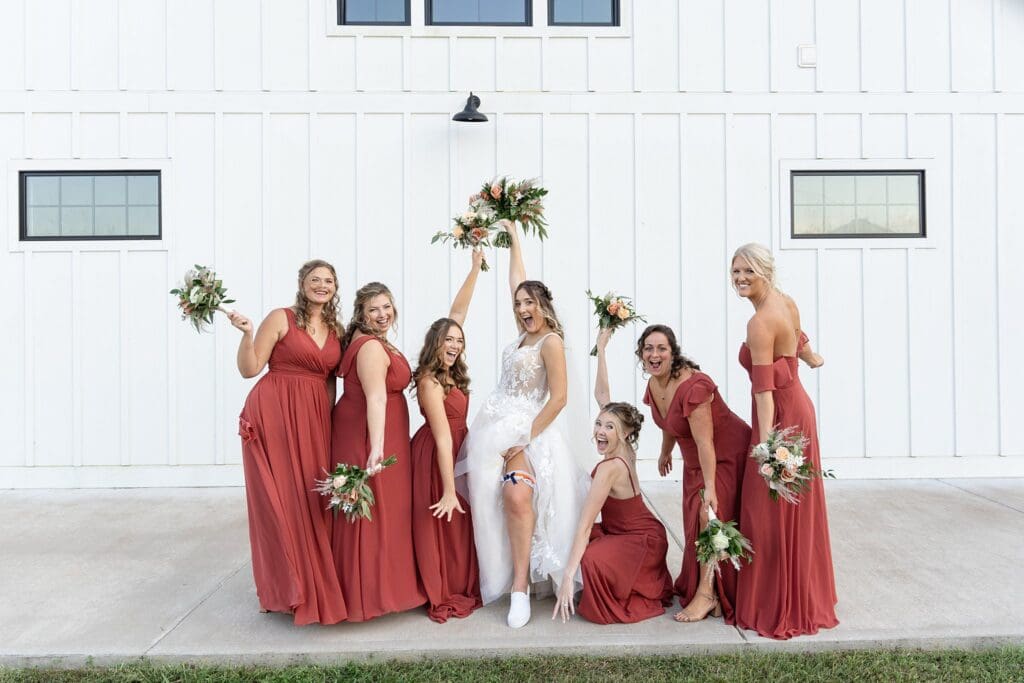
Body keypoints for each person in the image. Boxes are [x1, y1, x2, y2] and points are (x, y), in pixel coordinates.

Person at [456, 219, 587, 628]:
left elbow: (560, 398)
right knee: (487, 502)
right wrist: (511, 238)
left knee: (515, 495)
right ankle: (490, 571)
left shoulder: (551, 342)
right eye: (518, 305)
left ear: (544, 306)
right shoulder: (520, 338)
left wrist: (523, 438)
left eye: (529, 303)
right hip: (491, 427)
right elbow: (516, 279)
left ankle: (519, 587)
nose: (522, 309)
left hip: (529, 431)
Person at [229, 260, 347, 625]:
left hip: (312, 420)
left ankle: (306, 583)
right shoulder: (281, 318)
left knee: (311, 500)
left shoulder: (336, 329)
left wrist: (328, 424)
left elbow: (329, 382)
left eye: (328, 281)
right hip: (274, 414)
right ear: (302, 283)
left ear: (335, 288)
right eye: (315, 280)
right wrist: (247, 333)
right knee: (278, 502)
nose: (322, 286)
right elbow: (250, 369)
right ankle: (279, 589)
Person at [731, 242, 839, 639]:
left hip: (779, 418)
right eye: (736, 271)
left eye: (748, 271)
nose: (740, 278)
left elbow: (763, 391)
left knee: (769, 509)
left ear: (765, 271)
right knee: (793, 508)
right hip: (800, 409)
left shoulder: (758, 323)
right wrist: (811, 357)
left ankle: (778, 603)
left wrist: (766, 444)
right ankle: (802, 593)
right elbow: (799, 336)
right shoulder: (785, 301)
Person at [552, 328, 674, 624]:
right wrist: (601, 350)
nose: (600, 431)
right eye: (599, 424)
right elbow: (603, 395)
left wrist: (568, 577)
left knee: (589, 555)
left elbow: (584, 525)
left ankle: (624, 587)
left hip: (641, 539)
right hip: (636, 532)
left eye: (609, 427)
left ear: (625, 432)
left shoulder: (609, 468)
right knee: (573, 538)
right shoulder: (626, 449)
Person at [638, 324, 751, 623]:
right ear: (641, 354)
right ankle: (709, 586)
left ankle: (706, 594)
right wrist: (665, 451)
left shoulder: (694, 387)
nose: (654, 354)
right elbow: (670, 422)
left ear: (673, 354)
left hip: (725, 456)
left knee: (708, 516)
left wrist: (711, 487)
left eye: (661, 348)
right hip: (694, 462)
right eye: (648, 348)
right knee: (696, 524)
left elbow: (705, 442)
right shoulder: (654, 384)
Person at [330, 282, 426, 621]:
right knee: (375, 509)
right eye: (374, 309)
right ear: (362, 314)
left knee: (383, 509)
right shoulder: (370, 346)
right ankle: (370, 595)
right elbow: (376, 397)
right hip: (371, 435)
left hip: (377, 431)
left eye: (386, 307)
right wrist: (378, 448)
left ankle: (382, 588)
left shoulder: (371, 340)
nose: (382, 314)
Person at [410, 250, 485, 623]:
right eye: (448, 340)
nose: (455, 344)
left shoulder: (452, 368)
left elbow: (458, 313)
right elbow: (441, 438)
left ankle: (463, 579)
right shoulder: (429, 380)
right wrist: (449, 488)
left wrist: (474, 269)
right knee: (446, 518)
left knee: (463, 523)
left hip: (459, 449)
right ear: (434, 343)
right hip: (439, 455)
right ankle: (441, 586)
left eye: (458, 340)